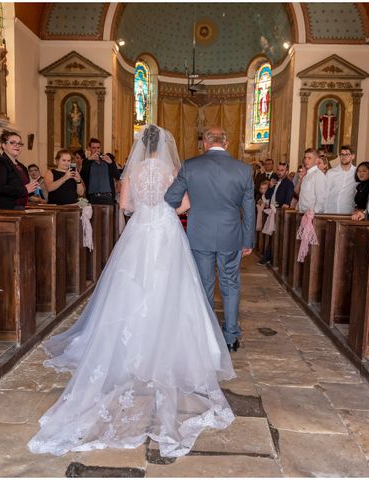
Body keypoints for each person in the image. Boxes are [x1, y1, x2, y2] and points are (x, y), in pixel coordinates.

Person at [28, 124, 235, 458]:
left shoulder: (132, 170)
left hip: (140, 231)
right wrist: (165, 211)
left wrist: (145, 209)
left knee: (131, 287)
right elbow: (183, 206)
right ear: (164, 145)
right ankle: (169, 344)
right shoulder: (171, 170)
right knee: (172, 288)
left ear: (141, 144)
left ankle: (128, 346)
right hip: (166, 231)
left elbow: (125, 205)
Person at [165, 126, 255, 352]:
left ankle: (204, 336)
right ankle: (231, 336)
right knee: (230, 284)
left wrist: (193, 199)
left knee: (203, 284)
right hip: (230, 235)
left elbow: (171, 197)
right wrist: (248, 241)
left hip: (200, 234)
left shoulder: (190, 166)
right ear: (226, 143)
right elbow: (249, 209)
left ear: (205, 143)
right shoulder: (243, 170)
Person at [0, 130, 39, 210]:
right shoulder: (0, 162)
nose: (17, 146)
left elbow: (23, 190)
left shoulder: (22, 166)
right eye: (12, 143)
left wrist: (33, 188)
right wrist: (25, 189)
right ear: (4, 145)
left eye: (19, 143)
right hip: (6, 209)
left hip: (21, 207)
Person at [257, 162, 294, 265]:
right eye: (278, 170)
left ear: (286, 171)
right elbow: (267, 196)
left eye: (282, 170)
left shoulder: (288, 183)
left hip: (280, 213)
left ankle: (271, 258)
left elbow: (287, 201)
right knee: (271, 236)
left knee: (277, 237)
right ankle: (268, 257)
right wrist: (271, 186)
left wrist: (284, 206)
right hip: (272, 211)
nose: (279, 172)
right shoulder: (274, 181)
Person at [80, 137, 121, 205]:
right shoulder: (87, 161)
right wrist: (89, 160)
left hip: (108, 196)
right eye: (93, 148)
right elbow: (83, 176)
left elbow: (117, 176)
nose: (96, 150)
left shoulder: (107, 158)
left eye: (98, 148)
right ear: (89, 148)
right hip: (93, 197)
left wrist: (111, 163)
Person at [324, 145, 358, 214]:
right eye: (342, 154)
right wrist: (324, 211)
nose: (344, 157)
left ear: (353, 156)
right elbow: (325, 193)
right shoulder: (331, 173)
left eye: (347, 154)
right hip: (330, 212)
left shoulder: (357, 173)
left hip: (348, 212)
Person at [298, 148, 327, 213]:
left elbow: (321, 198)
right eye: (305, 158)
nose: (306, 161)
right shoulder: (306, 176)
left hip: (312, 215)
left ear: (316, 160)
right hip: (303, 213)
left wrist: (314, 212)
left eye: (309, 158)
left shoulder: (318, 175)